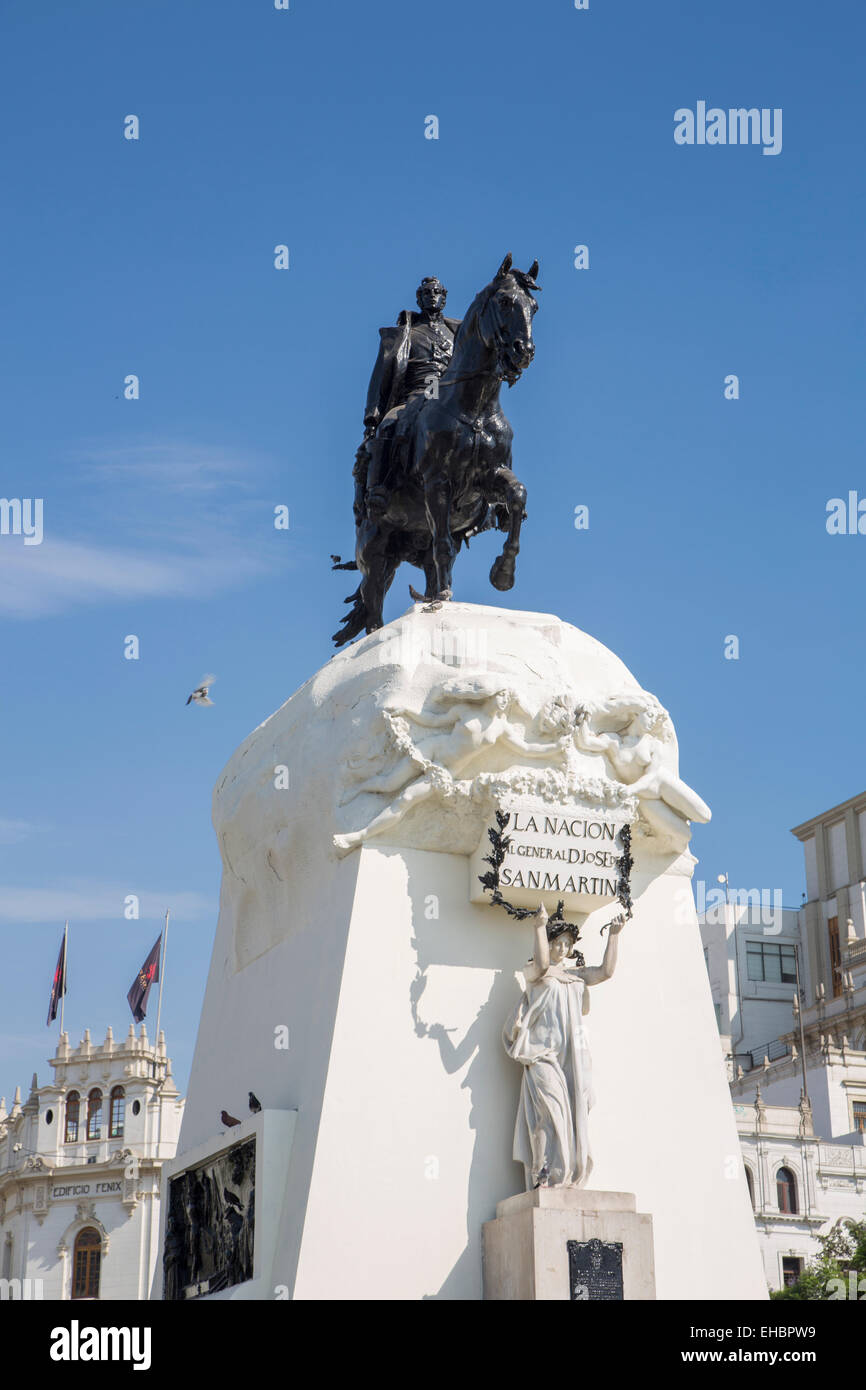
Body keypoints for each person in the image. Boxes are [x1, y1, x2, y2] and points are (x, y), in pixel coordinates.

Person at [503, 903, 625, 1189]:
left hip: (572, 1061)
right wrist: (538, 926)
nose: (561, 948)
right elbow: (544, 964)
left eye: (566, 943)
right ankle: (542, 1174)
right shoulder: (536, 972)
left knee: (572, 1117)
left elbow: (606, 972)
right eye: (556, 942)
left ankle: (567, 1174)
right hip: (542, 1056)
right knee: (550, 1114)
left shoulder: (576, 976)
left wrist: (615, 935)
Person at [353, 277, 462, 522]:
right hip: (413, 396)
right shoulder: (405, 334)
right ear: (418, 298)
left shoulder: (459, 334)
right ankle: (379, 489)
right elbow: (379, 375)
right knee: (389, 425)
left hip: (452, 398)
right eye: (426, 293)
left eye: (436, 292)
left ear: (444, 297)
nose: (431, 296)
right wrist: (372, 416)